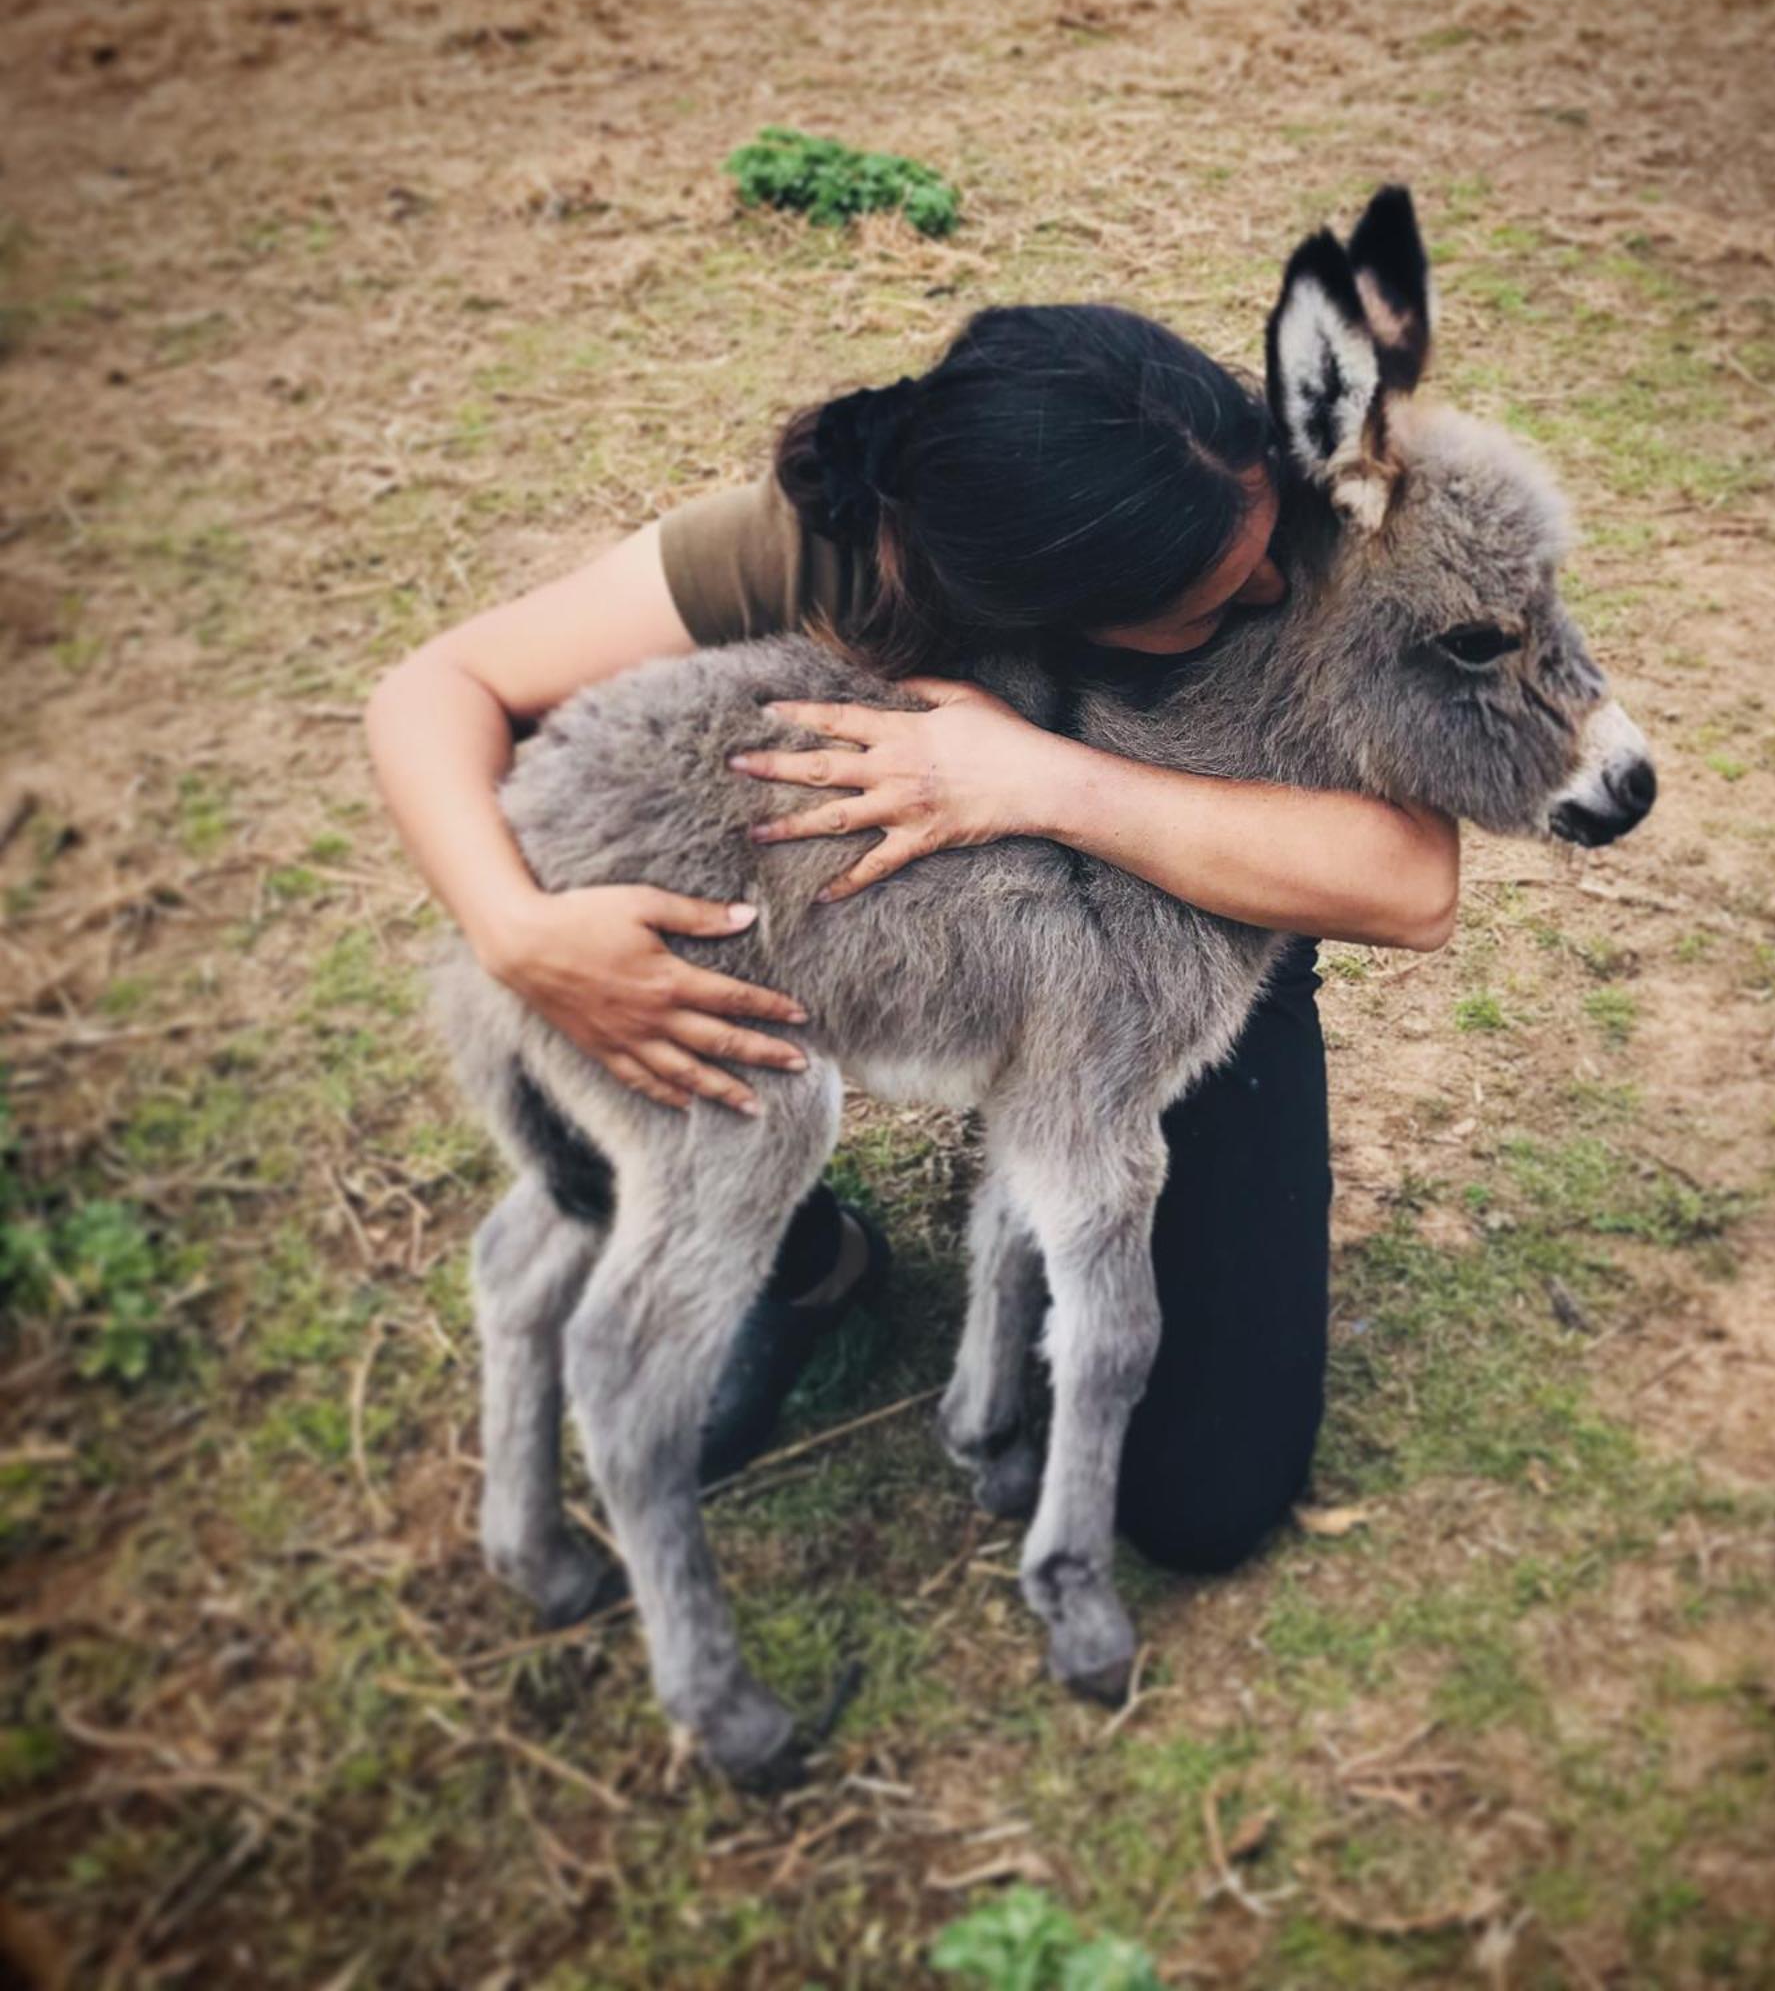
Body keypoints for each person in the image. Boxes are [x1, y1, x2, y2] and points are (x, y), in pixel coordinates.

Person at [367, 303, 1457, 1574]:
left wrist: (1034, 778)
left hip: (1178, 937)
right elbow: (433, 690)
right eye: (1215, 600)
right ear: (1041, 611)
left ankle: (1051, 1157)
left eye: (1269, 551)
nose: (1272, 589)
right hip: (893, 933)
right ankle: (800, 1257)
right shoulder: (831, 546)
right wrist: (518, 931)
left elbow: (1413, 882)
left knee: (1202, 1497)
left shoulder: (1287, 511)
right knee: (628, 999)